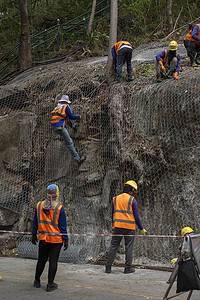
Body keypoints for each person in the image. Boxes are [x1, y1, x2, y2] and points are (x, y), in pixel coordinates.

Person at [32, 184, 68, 292]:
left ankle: (37, 281)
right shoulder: (59, 208)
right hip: (56, 240)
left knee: (41, 260)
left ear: (47, 193)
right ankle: (50, 284)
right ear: (56, 194)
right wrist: (66, 239)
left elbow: (35, 222)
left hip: (43, 238)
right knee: (53, 261)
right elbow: (63, 227)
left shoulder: (39, 206)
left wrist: (33, 234)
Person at [105, 180, 147, 274]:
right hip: (129, 228)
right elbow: (136, 216)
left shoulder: (115, 199)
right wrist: (141, 228)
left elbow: (113, 214)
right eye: (133, 190)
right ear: (131, 189)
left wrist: (114, 224)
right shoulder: (132, 200)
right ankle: (127, 268)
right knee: (129, 247)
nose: (133, 193)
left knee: (113, 246)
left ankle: (108, 267)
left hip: (118, 226)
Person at [51, 95, 86, 164]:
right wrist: (78, 117)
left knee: (66, 118)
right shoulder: (66, 107)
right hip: (60, 127)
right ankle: (77, 159)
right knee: (70, 143)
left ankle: (73, 126)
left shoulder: (57, 108)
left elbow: (66, 117)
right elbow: (71, 116)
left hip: (54, 127)